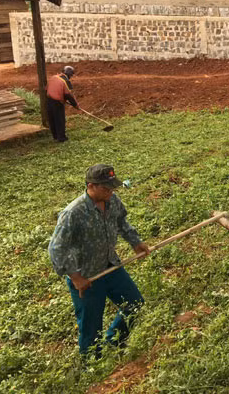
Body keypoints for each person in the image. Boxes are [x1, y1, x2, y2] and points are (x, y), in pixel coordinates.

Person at [48, 164, 151, 359]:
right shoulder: (73, 213)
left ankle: (114, 342)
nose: (110, 191)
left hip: (111, 266)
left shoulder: (112, 201)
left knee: (134, 304)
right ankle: (91, 364)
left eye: (112, 187)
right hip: (87, 276)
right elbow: (56, 248)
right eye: (105, 188)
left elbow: (122, 222)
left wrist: (136, 243)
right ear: (90, 186)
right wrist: (76, 278)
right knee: (91, 325)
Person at [46, 65, 79, 142]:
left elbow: (47, 89)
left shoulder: (53, 77)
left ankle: (55, 136)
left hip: (49, 100)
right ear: (69, 74)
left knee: (52, 119)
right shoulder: (65, 81)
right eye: (71, 75)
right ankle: (61, 138)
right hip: (57, 103)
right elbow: (69, 95)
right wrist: (75, 105)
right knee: (60, 120)